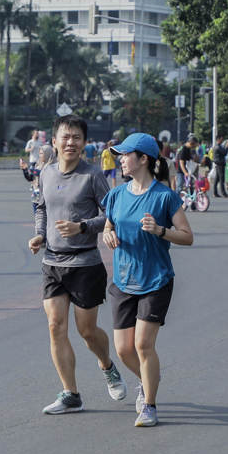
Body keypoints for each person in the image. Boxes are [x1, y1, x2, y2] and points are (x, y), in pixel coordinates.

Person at [29, 115, 127, 415]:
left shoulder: (92, 175)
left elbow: (112, 215)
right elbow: (41, 208)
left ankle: (107, 365)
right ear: (55, 142)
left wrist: (82, 226)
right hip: (52, 262)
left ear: (84, 143)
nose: (70, 142)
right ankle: (71, 393)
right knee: (55, 325)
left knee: (87, 332)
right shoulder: (45, 173)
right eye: (65, 137)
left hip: (85, 263)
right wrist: (39, 234)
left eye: (76, 138)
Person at [101, 133, 194, 428]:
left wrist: (160, 231)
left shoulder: (164, 197)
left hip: (155, 280)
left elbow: (188, 237)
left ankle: (150, 405)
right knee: (123, 350)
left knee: (142, 345)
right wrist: (107, 235)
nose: (121, 160)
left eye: (126, 155)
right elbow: (108, 225)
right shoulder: (116, 193)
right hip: (122, 279)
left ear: (144, 159)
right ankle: (148, 379)